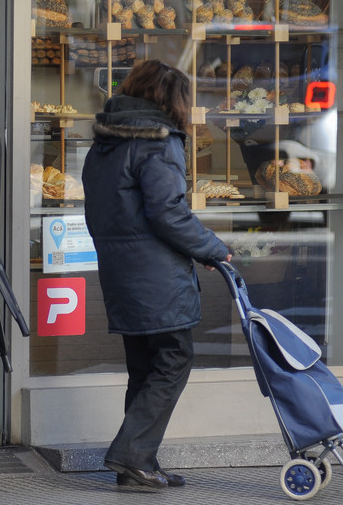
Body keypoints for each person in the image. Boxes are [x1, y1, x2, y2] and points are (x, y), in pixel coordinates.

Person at [81, 59, 233, 489]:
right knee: (173, 360)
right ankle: (131, 454)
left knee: (145, 368)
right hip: (157, 276)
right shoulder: (158, 143)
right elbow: (168, 212)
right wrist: (212, 247)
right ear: (173, 102)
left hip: (120, 271)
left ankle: (139, 464)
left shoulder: (104, 145)